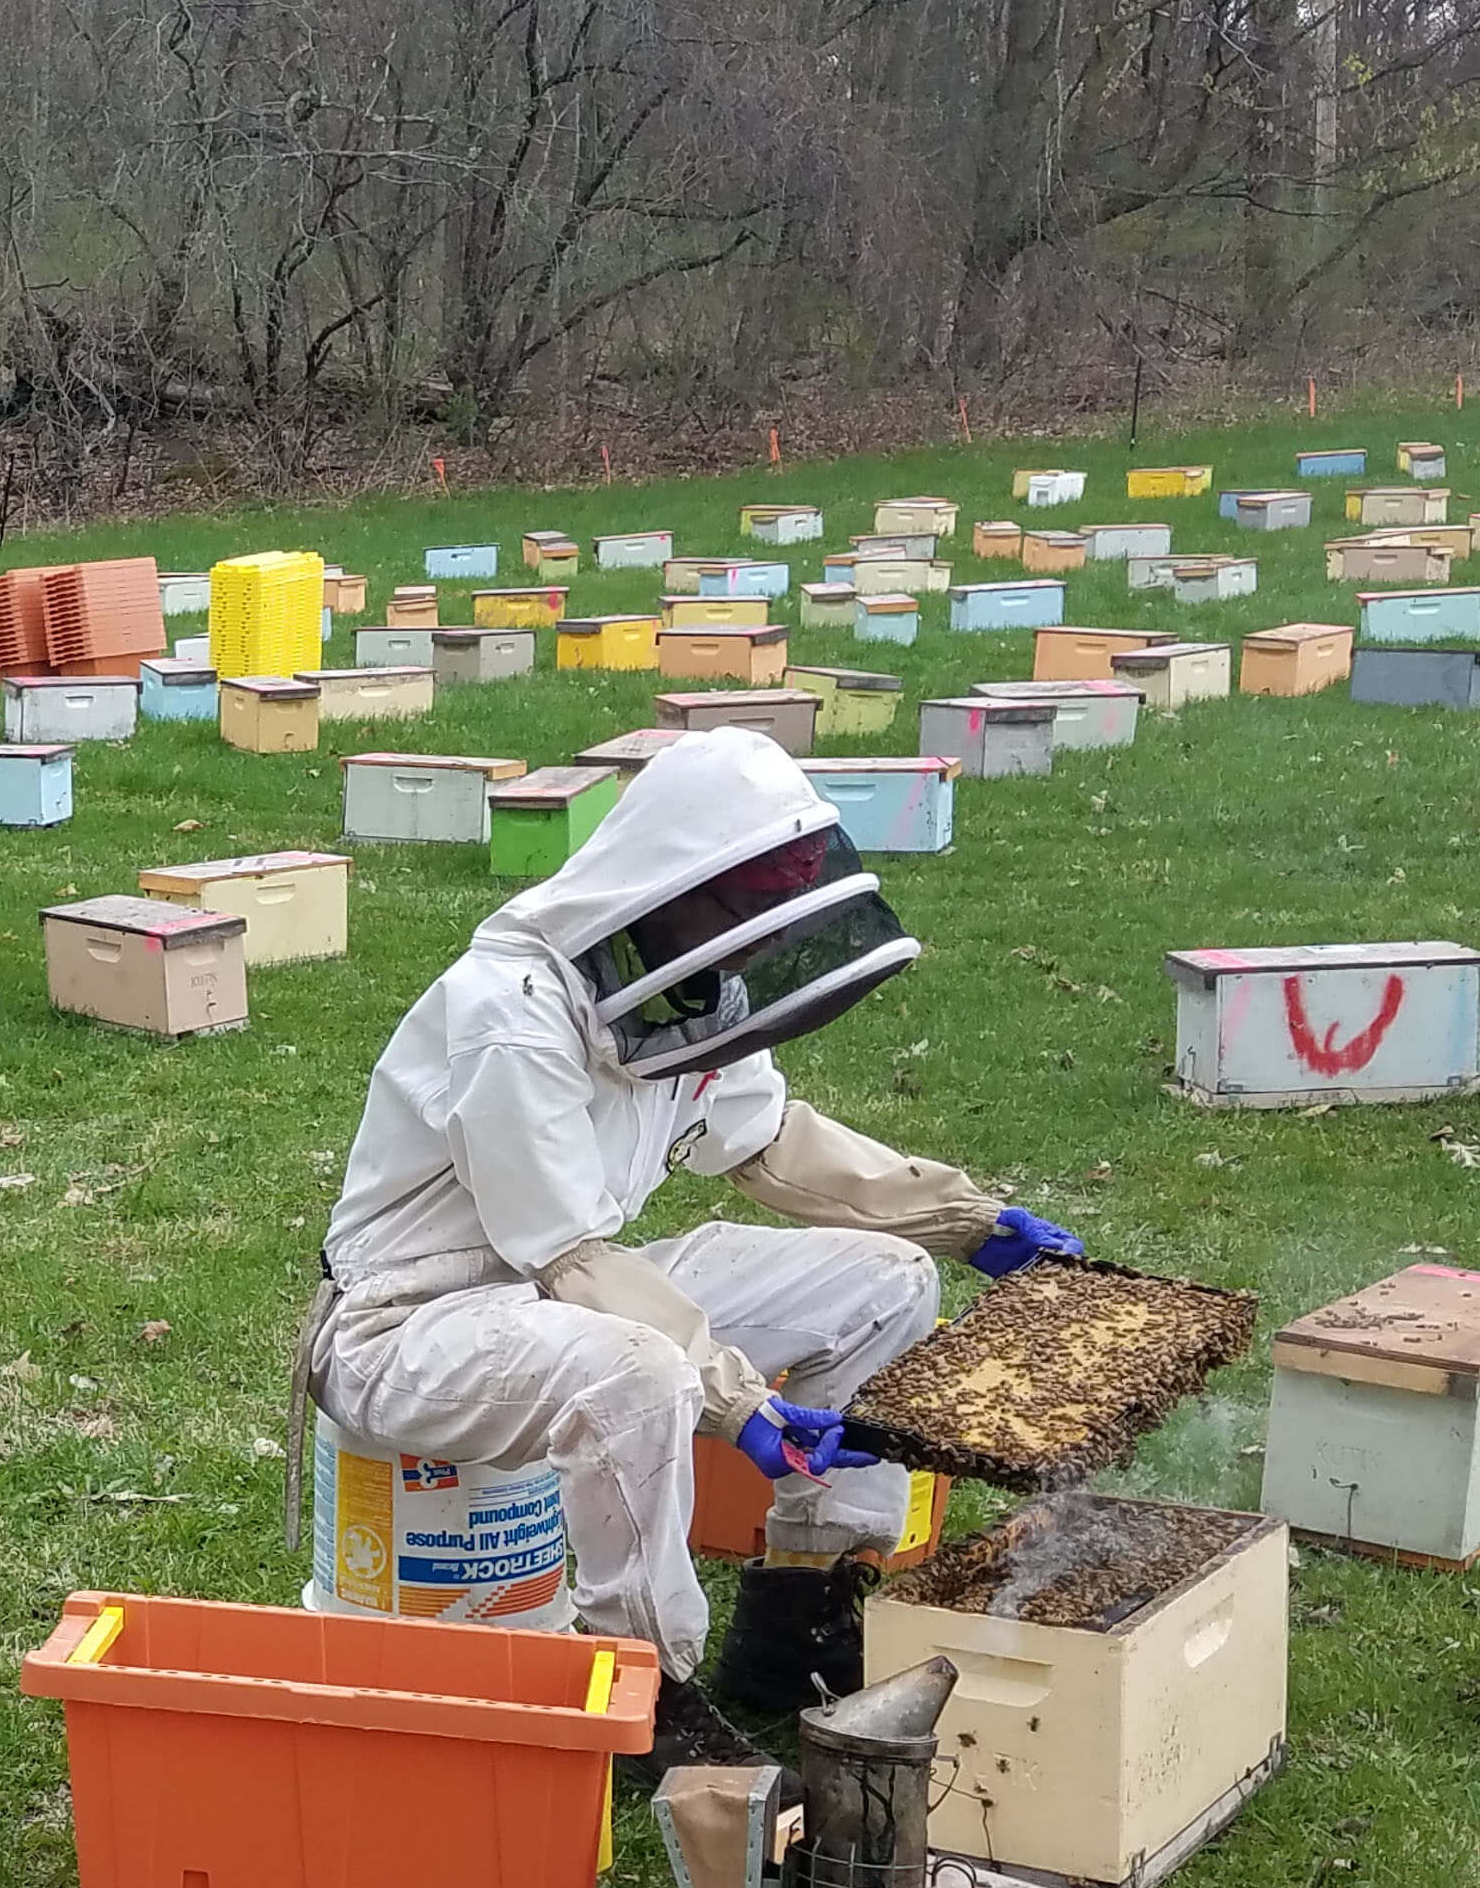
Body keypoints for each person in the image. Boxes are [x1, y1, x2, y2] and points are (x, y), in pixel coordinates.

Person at [304, 728, 1078, 1777]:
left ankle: (800, 1620)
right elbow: (571, 1259)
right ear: (667, 887)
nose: (747, 940)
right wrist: (740, 1404)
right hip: (410, 1326)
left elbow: (771, 1142)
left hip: (552, 1292)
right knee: (639, 1371)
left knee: (886, 1284)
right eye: (735, 908)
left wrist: (963, 1221)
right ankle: (641, 1686)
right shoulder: (508, 1014)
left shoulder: (684, 994)